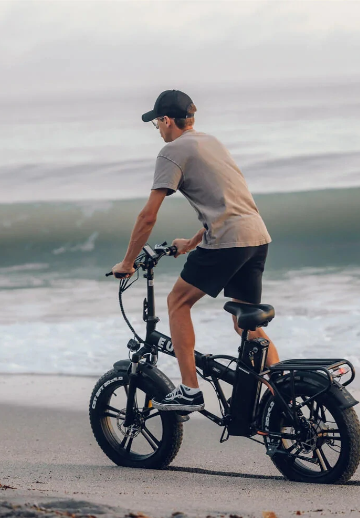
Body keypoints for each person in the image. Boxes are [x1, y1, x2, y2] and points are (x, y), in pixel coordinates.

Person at [111, 89, 279, 412]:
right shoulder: (211, 142)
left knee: (177, 302)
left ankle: (189, 389)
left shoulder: (172, 151)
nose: (158, 130)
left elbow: (148, 216)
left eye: (157, 123)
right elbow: (230, 204)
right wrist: (190, 244)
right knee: (245, 324)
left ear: (167, 120)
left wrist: (128, 262)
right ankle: (281, 389)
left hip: (228, 240)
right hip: (256, 237)